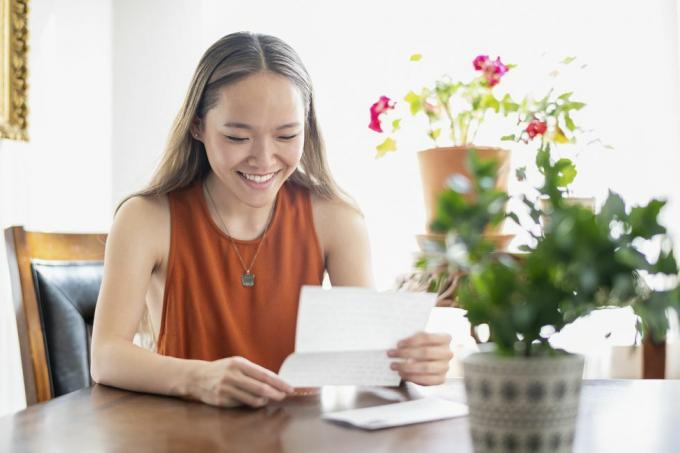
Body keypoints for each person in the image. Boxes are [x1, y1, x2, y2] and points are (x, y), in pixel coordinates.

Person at [91, 31, 453, 408]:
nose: (263, 160)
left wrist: (413, 363)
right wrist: (198, 377)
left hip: (299, 436)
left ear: (307, 128)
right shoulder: (145, 218)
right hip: (185, 432)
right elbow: (106, 356)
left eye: (286, 135)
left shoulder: (336, 218)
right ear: (197, 126)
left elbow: (367, 356)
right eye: (237, 137)